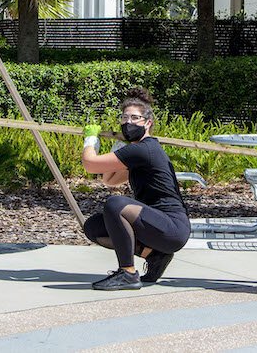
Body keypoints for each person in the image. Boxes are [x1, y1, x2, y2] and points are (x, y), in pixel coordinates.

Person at [81, 87, 190, 290]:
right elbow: (110, 179)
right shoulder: (138, 150)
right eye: (124, 117)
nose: (128, 122)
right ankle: (155, 256)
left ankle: (128, 273)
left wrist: (91, 139)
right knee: (94, 226)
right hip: (157, 226)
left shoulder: (145, 149)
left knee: (115, 204)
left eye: (134, 118)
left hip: (172, 227)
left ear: (147, 123)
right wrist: (118, 147)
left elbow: (90, 164)